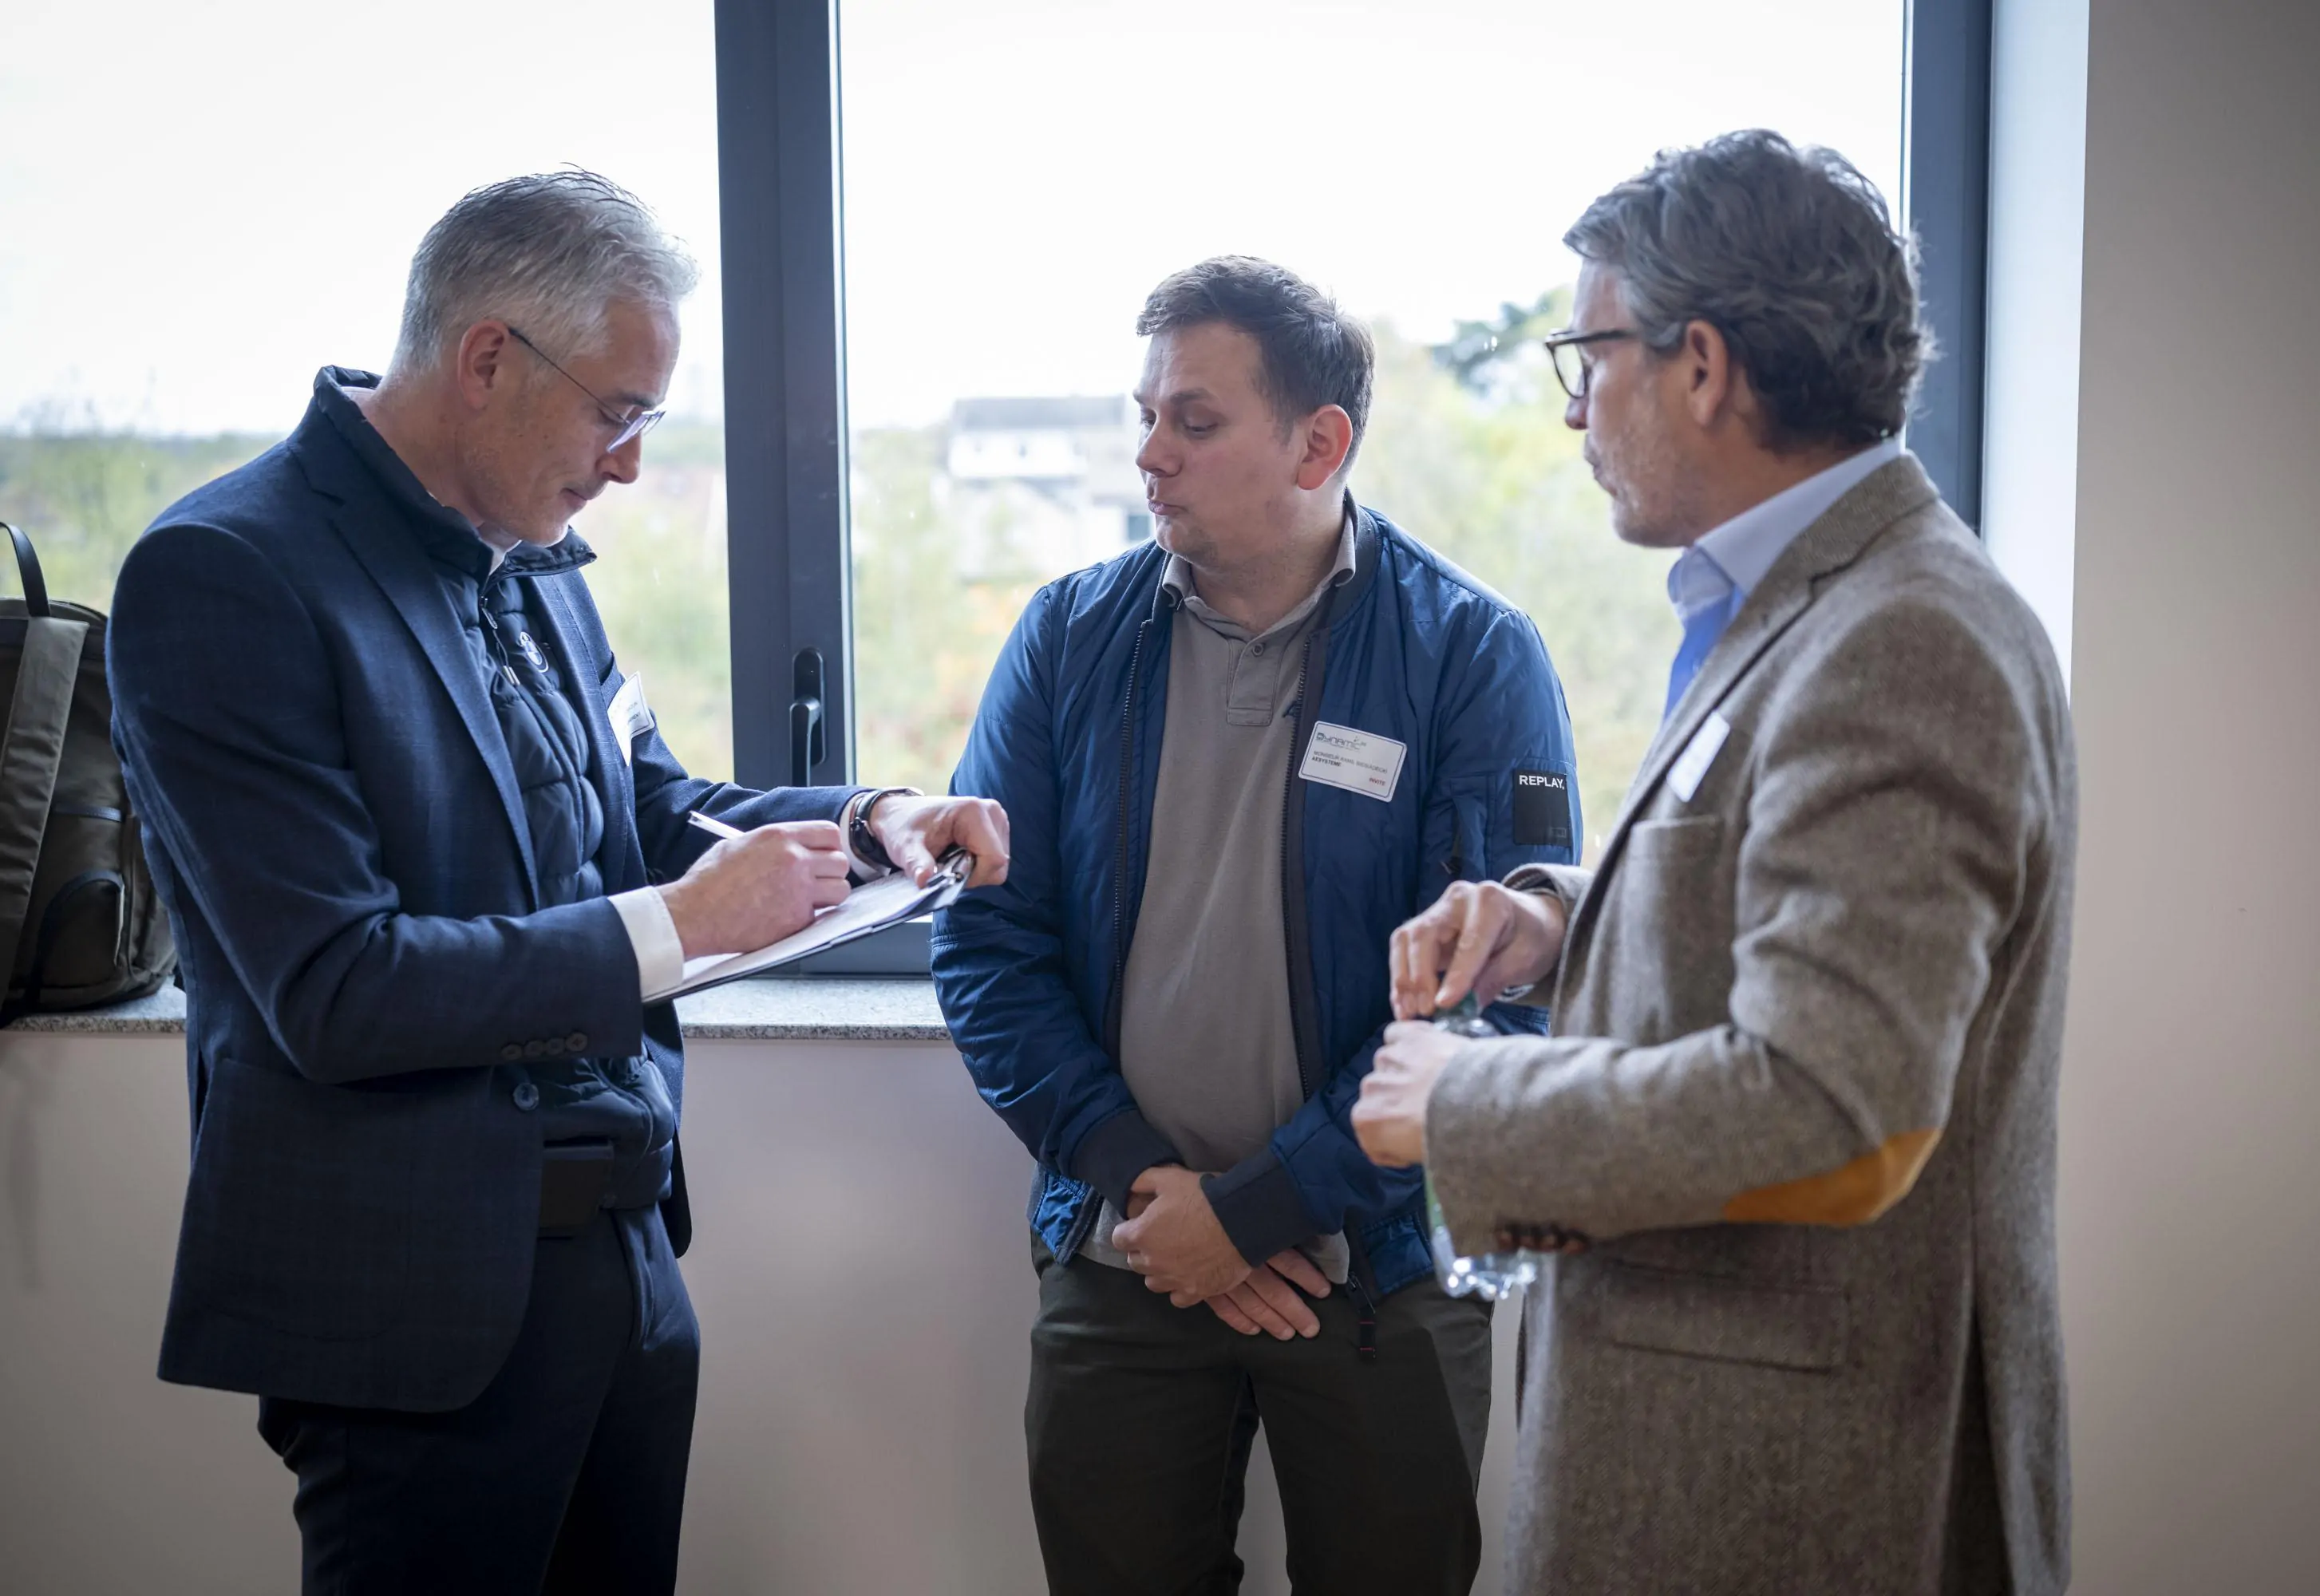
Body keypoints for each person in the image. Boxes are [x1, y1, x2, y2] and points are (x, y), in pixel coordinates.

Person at [107, 172, 1007, 1596]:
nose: (630, 465)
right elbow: (336, 990)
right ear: (487, 360)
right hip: (414, 1314)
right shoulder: (225, 575)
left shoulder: (532, 561)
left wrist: (870, 818)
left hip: (623, 1264)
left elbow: (646, 808)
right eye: (618, 413)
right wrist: (680, 927)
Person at [1356, 131, 2077, 1595]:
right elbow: (1764, 886)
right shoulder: (1811, 602)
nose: (1575, 412)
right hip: (1730, 1443)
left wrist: (1465, 1102)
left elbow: (1831, 1104)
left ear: (1701, 365)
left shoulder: (1901, 637)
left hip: (1796, 1484)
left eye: (1589, 356)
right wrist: (1557, 921)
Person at [932, 256, 1580, 1594]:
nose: (1148, 454)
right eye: (1146, 414)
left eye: (1195, 420)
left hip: (1382, 1264)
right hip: (1127, 1248)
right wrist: (1153, 1192)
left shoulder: (1471, 651)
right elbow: (988, 947)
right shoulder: (1066, 637)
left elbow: (1491, 999)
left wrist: (1259, 1209)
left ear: (1319, 445)